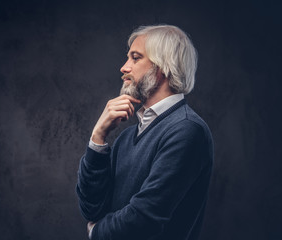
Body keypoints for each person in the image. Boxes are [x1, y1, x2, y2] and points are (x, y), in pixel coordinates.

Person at [76, 24, 214, 240]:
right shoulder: (127, 137)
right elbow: (92, 209)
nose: (123, 67)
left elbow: (144, 218)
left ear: (163, 66)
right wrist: (97, 138)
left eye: (135, 57)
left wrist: (96, 232)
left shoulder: (187, 130)